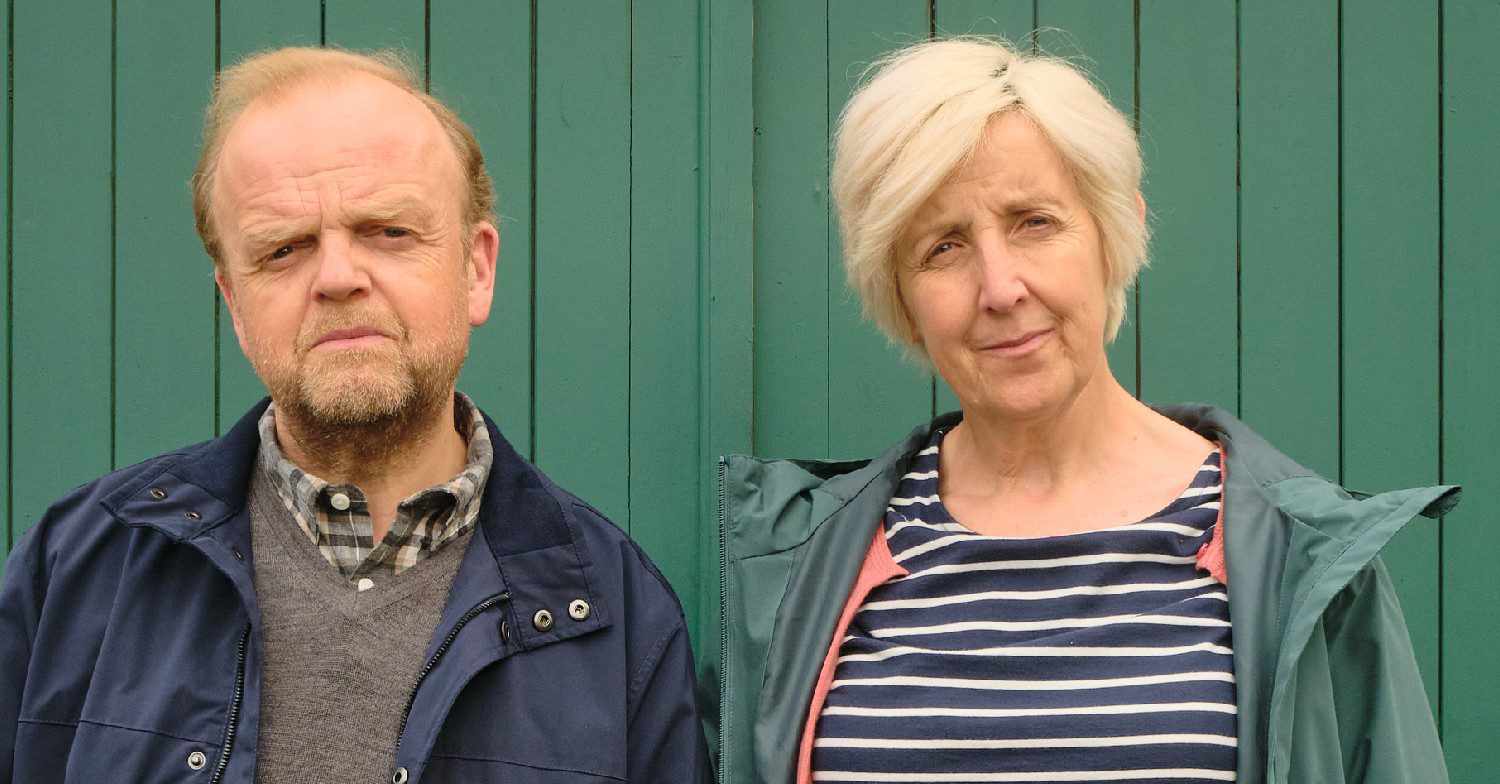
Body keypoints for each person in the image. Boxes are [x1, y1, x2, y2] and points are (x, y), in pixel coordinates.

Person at [701, 37, 1456, 784]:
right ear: (898, 294)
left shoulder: (1303, 554)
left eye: (1034, 222)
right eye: (943, 247)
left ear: (1113, 230)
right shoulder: (796, 575)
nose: (1000, 287)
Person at [0, 47, 711, 784]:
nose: (338, 277)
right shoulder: (77, 569)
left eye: (388, 232)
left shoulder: (618, 617)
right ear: (235, 306)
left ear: (476, 269)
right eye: (283, 249)